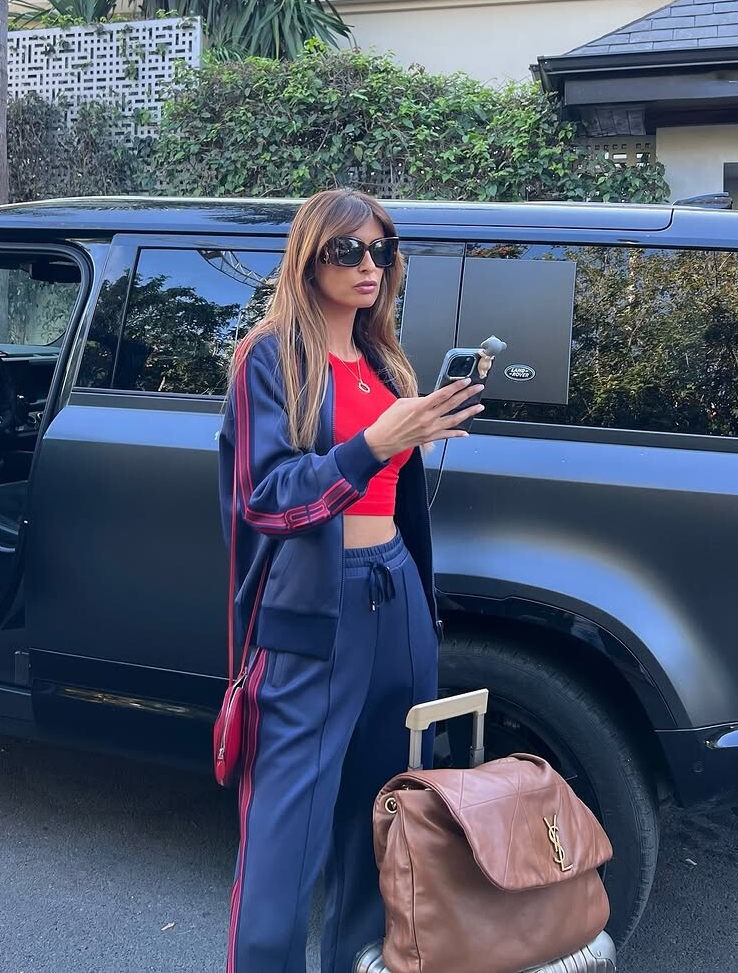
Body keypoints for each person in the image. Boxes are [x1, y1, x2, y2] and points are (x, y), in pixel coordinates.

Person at [218, 187, 484, 973]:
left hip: (395, 597)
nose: (369, 264)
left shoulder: (383, 361)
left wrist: (415, 427)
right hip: (313, 609)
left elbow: (394, 496)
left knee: (386, 825)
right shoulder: (269, 357)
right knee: (284, 845)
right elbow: (265, 497)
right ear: (309, 259)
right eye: (348, 250)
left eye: (382, 249)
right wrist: (374, 444)